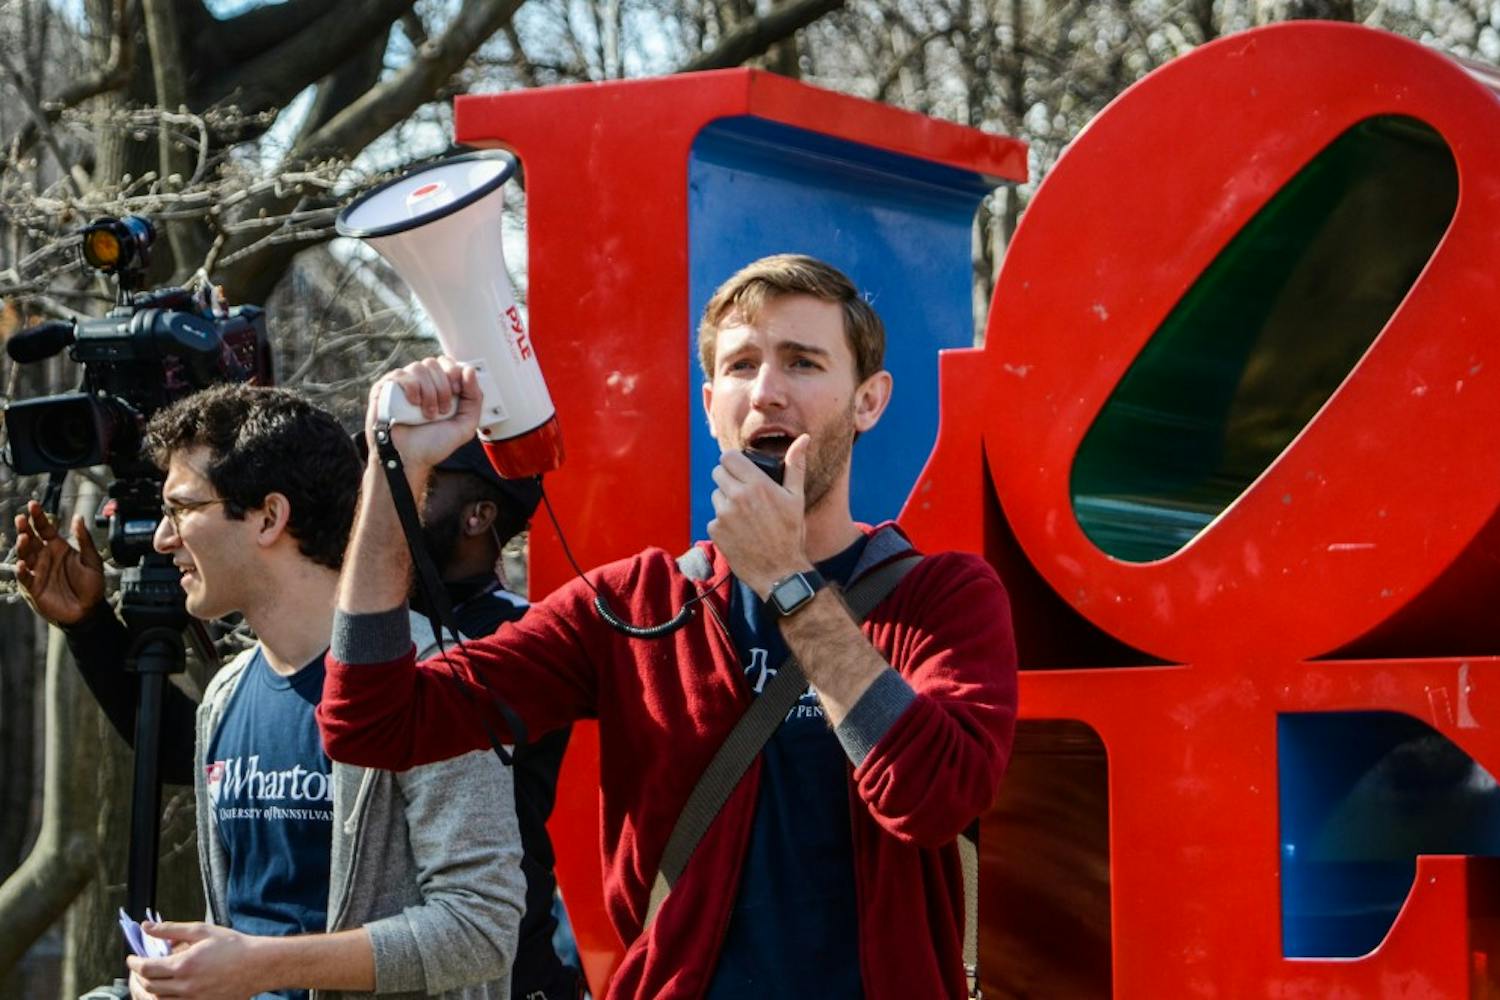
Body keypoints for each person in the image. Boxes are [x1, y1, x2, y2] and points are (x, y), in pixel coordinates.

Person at [319, 254, 1020, 999]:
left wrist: (789, 583)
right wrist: (393, 474)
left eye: (803, 363)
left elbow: (935, 799)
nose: (768, 392)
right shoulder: (634, 603)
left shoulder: (944, 597)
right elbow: (372, 723)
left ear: (868, 401)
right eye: (743, 366)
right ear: (712, 403)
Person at [13, 385, 524, 1000]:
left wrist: (260, 964)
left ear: (268, 516)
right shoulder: (224, 695)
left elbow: (480, 929)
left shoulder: (434, 680)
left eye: (182, 509)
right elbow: (242, 941)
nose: (161, 540)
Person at [402, 438, 584, 1000]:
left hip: (506, 970)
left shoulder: (523, 635)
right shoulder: (372, 624)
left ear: (477, 517)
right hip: (396, 955)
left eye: (423, 484)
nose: (395, 497)